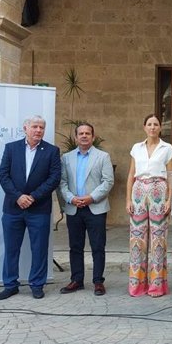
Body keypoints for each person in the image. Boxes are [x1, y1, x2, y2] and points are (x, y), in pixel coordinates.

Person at [0, 115, 61, 300]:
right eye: (34, 127)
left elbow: (54, 179)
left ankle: (37, 284)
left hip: (38, 209)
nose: (38, 130)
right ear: (25, 128)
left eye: (41, 127)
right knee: (11, 248)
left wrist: (32, 197)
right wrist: (18, 196)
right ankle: (10, 285)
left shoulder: (52, 151)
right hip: (13, 208)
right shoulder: (11, 148)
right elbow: (3, 175)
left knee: (39, 248)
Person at [58, 122, 114, 296]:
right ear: (76, 137)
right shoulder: (66, 158)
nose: (84, 136)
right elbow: (62, 182)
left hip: (95, 207)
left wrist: (90, 198)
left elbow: (108, 181)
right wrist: (71, 198)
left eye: (87, 133)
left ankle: (98, 281)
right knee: (75, 246)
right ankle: (77, 280)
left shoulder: (103, 157)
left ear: (93, 137)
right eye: (80, 133)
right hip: (74, 207)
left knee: (98, 246)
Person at [126, 114, 172, 297]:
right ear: (144, 127)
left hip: (159, 191)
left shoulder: (167, 148)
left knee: (158, 239)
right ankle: (137, 285)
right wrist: (128, 200)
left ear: (161, 128)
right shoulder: (136, 148)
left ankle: (157, 285)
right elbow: (131, 175)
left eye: (156, 124)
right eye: (149, 124)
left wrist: (170, 199)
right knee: (137, 239)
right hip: (138, 191)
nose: (153, 127)